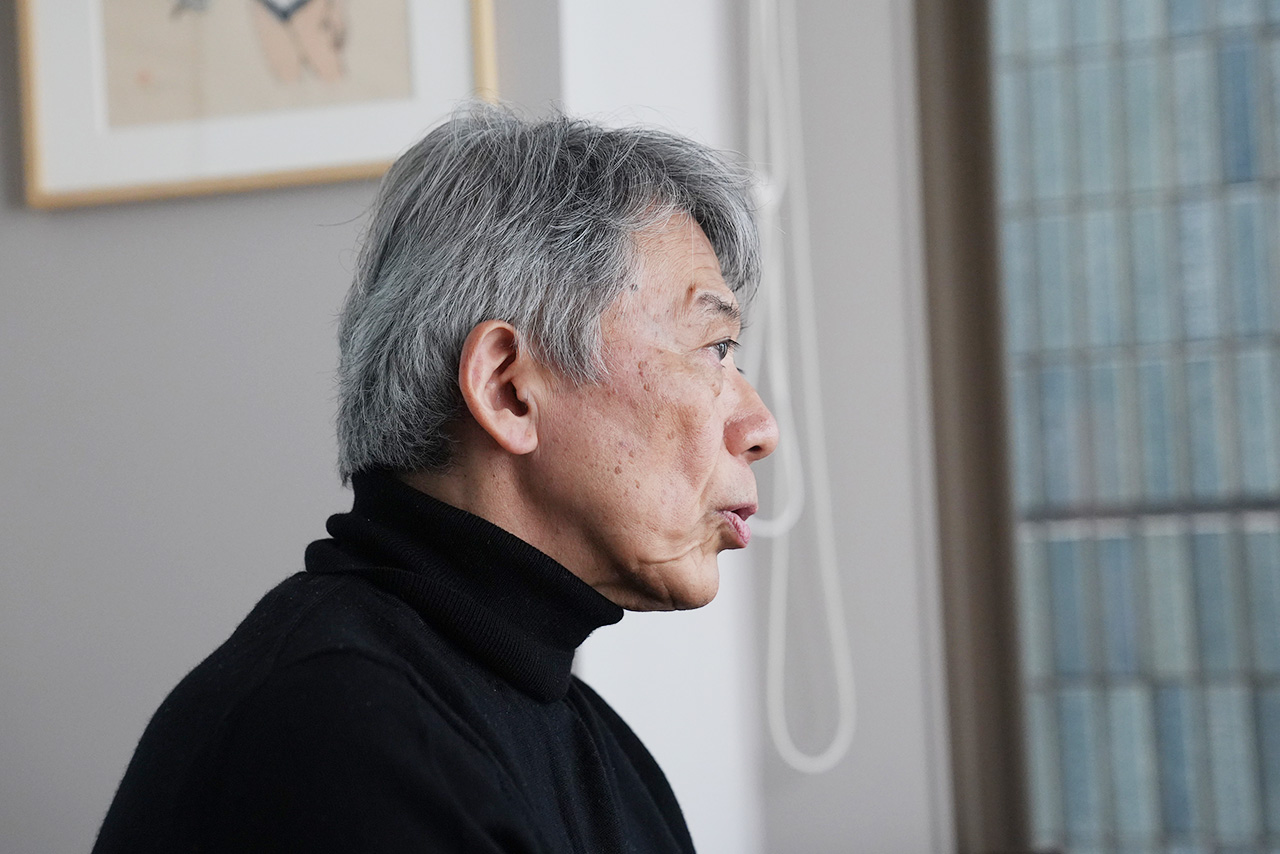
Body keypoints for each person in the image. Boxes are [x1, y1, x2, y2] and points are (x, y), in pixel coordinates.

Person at [92, 105, 779, 853]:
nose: (760, 427)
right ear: (508, 390)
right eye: (714, 348)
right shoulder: (336, 733)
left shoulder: (591, 747)